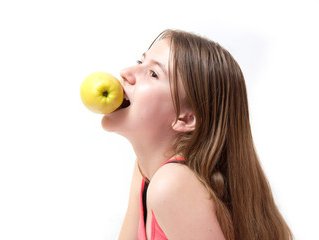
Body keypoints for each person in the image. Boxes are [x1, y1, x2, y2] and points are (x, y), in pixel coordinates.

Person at [102, 29, 293, 240]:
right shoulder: (144, 171)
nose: (126, 73)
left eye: (153, 73)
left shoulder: (172, 185)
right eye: (140, 61)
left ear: (185, 119)